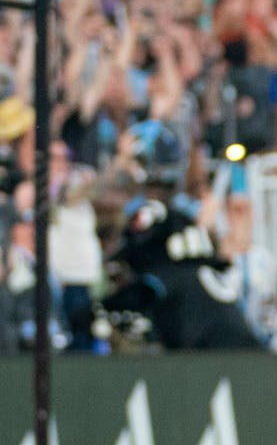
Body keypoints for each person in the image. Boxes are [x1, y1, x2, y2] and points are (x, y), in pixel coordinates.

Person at [96, 120, 265, 351]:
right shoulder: (185, 218)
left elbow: (119, 260)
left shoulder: (150, 215)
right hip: (229, 328)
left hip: (195, 333)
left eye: (125, 161)